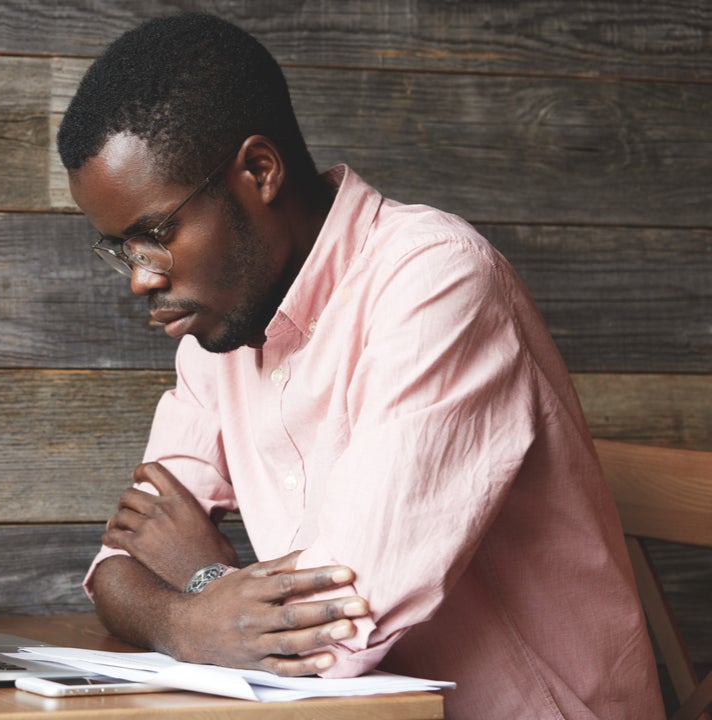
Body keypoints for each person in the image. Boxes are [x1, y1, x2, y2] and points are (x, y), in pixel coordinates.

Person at [56, 12, 663, 720]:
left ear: (259, 171)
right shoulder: (215, 338)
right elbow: (116, 569)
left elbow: (333, 630)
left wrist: (199, 575)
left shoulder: (434, 280)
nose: (139, 277)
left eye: (155, 234)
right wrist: (186, 620)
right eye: (120, 248)